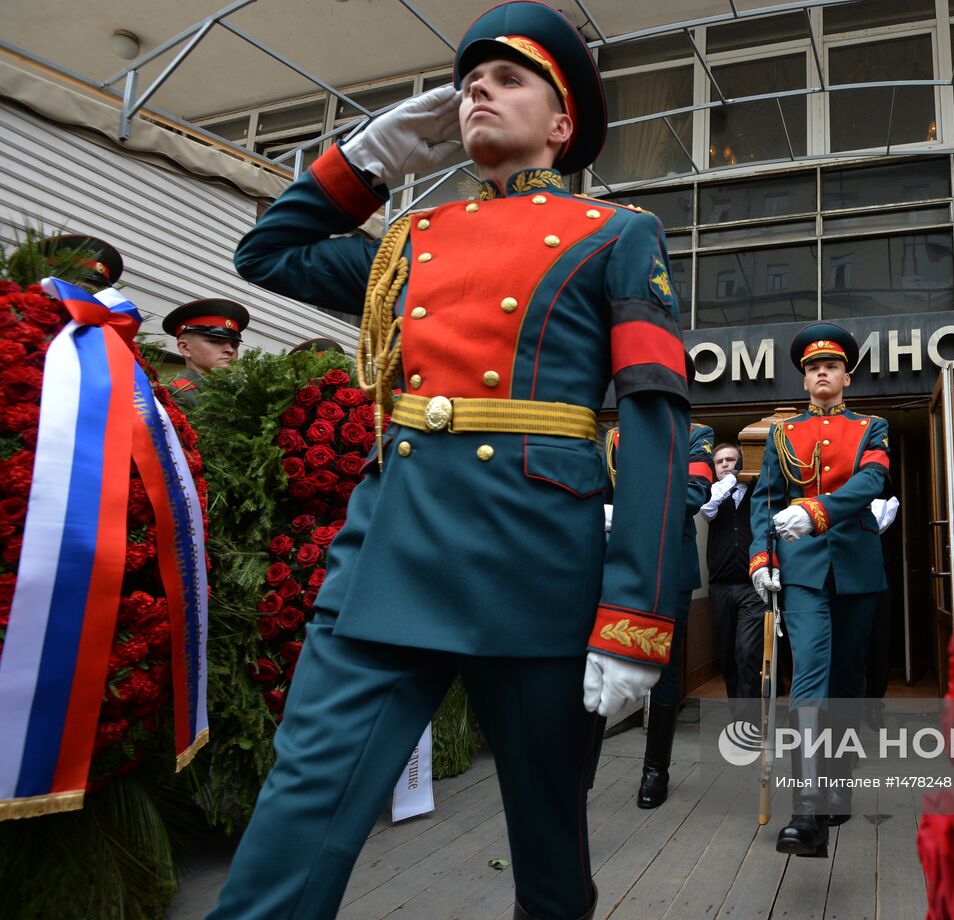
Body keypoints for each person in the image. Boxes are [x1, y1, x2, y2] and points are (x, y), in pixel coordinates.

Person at [209, 4, 689, 918]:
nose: (478, 89)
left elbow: (657, 423)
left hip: (537, 565)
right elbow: (266, 253)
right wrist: (373, 156)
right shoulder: (407, 244)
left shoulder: (614, 233)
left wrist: (639, 615)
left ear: (561, 126)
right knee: (297, 817)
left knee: (549, 851)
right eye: (470, 80)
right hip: (392, 555)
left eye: (509, 79)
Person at [748, 322, 890, 858]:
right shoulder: (783, 435)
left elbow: (873, 481)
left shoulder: (872, 427)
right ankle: (805, 810)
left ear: (846, 375)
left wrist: (817, 509)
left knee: (848, 681)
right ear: (804, 380)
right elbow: (765, 500)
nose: (820, 373)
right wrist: (761, 560)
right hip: (802, 573)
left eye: (829, 365)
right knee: (809, 675)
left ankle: (837, 786)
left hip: (856, 569)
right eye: (811, 368)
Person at [605, 392, 713, 809]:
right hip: (621, 565)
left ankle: (656, 770)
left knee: (664, 670)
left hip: (670, 565)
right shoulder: (616, 438)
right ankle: (582, 771)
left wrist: (628, 511)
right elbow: (600, 494)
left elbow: (693, 494)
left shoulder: (695, 435)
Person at [700, 442, 768, 720]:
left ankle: (748, 719)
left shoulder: (757, 494)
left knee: (747, 650)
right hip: (720, 587)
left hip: (751, 586)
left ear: (742, 463)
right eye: (720, 461)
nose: (726, 464)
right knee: (728, 654)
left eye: (731, 460)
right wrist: (726, 484)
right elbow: (707, 511)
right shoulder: (711, 495)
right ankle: (736, 714)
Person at [161, 298, 249, 410]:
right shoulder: (175, 395)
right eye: (216, 341)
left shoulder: (241, 394)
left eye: (234, 345)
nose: (230, 350)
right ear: (185, 348)